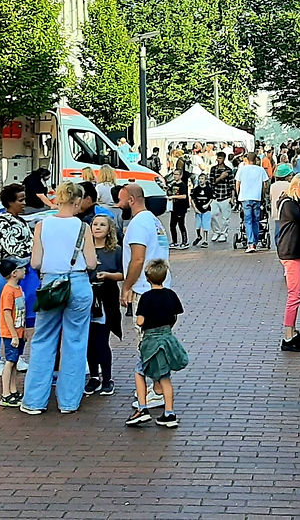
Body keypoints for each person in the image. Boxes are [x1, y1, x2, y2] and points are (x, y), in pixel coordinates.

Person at [21, 182, 97, 415]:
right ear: (77, 201)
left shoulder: (42, 226)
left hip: (51, 284)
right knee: (75, 342)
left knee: (43, 340)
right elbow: (92, 263)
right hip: (78, 283)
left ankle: (34, 400)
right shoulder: (83, 228)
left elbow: (35, 262)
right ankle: (69, 401)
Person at [118, 183, 171, 412]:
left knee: (148, 340)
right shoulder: (153, 220)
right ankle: (158, 386)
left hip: (144, 290)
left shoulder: (138, 223)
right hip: (161, 287)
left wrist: (126, 286)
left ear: (131, 199)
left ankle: (158, 389)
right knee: (158, 338)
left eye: (120, 199)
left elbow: (137, 259)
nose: (118, 203)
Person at [125, 259, 188, 429]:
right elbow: (175, 316)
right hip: (167, 338)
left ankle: (142, 408)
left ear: (147, 278)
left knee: (140, 372)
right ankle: (169, 412)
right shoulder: (171, 294)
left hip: (151, 340)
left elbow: (140, 321)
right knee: (165, 377)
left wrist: (141, 322)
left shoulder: (146, 298)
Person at [0, 183, 36, 378]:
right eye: (20, 199)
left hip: (17, 276)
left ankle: (14, 355)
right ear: (10, 202)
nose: (24, 203)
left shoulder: (20, 221)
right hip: (1, 275)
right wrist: (32, 254)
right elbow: (13, 250)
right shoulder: (3, 222)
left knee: (17, 316)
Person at [276, 173, 300, 352]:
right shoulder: (288, 204)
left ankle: (292, 331)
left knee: (297, 294)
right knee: (295, 295)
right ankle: (288, 335)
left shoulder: (293, 204)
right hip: (292, 253)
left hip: (299, 252)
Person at [85, 215, 123, 396]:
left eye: (102, 225)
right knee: (89, 340)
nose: (97, 227)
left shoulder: (115, 250)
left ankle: (107, 378)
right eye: (95, 224)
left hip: (106, 296)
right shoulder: (84, 249)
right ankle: (93, 377)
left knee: (102, 339)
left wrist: (108, 275)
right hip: (87, 297)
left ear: (109, 230)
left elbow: (123, 274)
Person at [0, 256, 29, 408]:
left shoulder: (18, 289)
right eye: (22, 268)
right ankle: (5, 393)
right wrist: (14, 335)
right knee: (9, 362)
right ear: (14, 273)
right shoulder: (8, 291)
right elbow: (6, 313)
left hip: (18, 331)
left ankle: (13, 389)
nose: (25, 270)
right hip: (11, 334)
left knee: (15, 361)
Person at [237, 151, 269, 253]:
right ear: (256, 160)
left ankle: (250, 243)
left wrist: (238, 195)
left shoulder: (242, 170)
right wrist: (263, 194)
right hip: (257, 197)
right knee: (256, 220)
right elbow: (266, 183)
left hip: (245, 197)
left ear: (247, 159)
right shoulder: (260, 170)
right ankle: (254, 242)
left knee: (248, 220)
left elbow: (237, 183)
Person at [167, 166, 191, 249]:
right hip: (174, 207)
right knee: (172, 225)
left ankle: (185, 241)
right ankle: (174, 241)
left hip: (181, 207)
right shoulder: (173, 184)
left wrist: (173, 197)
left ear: (180, 176)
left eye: (177, 174)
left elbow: (184, 196)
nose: (175, 176)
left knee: (181, 224)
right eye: (174, 174)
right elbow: (170, 192)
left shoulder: (183, 185)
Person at [269, 163, 294, 240]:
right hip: (287, 212)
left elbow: (271, 197)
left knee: (278, 231)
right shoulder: (289, 185)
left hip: (277, 212)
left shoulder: (273, 185)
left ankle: (278, 245)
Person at [190, 173, 214, 247]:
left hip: (206, 210)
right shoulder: (196, 189)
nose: (201, 180)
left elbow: (211, 198)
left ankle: (205, 240)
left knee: (205, 225)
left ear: (206, 180)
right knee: (197, 225)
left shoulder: (208, 189)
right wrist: (195, 208)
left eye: (202, 179)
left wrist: (207, 205)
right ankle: (198, 236)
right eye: (200, 179)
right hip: (198, 210)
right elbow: (192, 199)